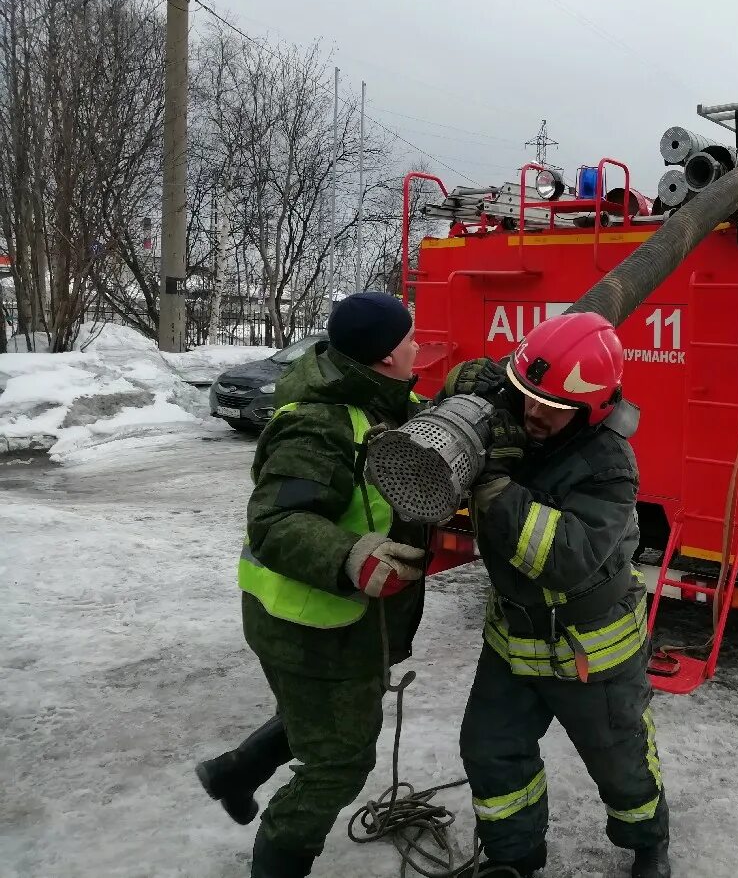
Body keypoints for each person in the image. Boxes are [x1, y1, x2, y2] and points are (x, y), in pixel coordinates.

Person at [195, 292, 429, 878]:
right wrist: (350, 556)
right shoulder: (319, 424)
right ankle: (277, 861)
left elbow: (432, 414)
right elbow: (275, 521)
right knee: (340, 760)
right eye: (408, 339)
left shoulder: (381, 403)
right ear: (382, 359)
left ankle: (233, 773)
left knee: (323, 721)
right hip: (309, 623)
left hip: (333, 624)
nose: (418, 345)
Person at [450, 312, 671, 878]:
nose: (534, 413)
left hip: (590, 648)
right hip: (512, 640)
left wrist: (495, 488)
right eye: (525, 395)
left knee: (620, 758)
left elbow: (566, 559)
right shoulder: (524, 404)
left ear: (592, 409)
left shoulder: (609, 467)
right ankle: (515, 859)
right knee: (491, 750)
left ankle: (648, 842)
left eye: (553, 405)